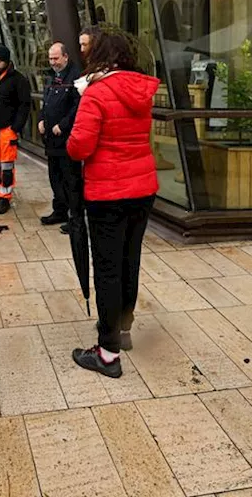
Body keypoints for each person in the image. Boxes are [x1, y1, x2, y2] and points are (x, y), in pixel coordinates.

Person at [65, 28, 158, 378]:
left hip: (108, 193)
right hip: (142, 188)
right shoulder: (141, 91)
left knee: (106, 269)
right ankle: (123, 329)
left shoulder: (97, 94)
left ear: (100, 56)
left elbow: (79, 147)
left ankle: (106, 353)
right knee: (129, 260)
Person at [0, 45, 30, 215]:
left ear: (7, 61)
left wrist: (16, 127)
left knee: (7, 167)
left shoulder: (18, 80)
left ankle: (5, 198)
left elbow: (24, 105)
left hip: (7, 129)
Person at [38, 42, 81, 227]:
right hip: (51, 139)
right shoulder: (52, 76)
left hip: (66, 138)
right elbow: (45, 101)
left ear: (65, 57)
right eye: (50, 58)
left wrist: (62, 125)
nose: (53, 62)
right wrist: (41, 119)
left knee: (70, 179)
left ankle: (75, 217)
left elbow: (77, 106)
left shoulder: (75, 77)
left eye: (56, 58)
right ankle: (59, 210)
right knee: (55, 177)